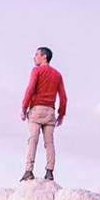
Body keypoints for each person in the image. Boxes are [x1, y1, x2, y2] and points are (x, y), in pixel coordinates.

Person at [20, 47, 67, 182]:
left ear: (44, 56)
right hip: (50, 112)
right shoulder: (57, 75)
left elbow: (30, 89)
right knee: (49, 143)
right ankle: (49, 172)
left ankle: (29, 171)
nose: (34, 57)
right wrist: (61, 114)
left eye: (36, 55)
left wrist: (23, 108)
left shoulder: (37, 71)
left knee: (32, 140)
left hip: (37, 110)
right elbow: (63, 97)